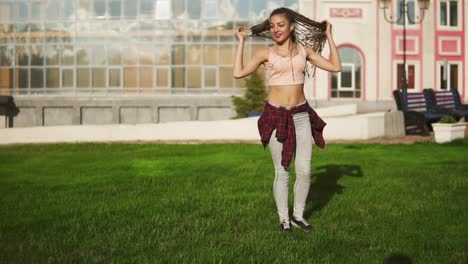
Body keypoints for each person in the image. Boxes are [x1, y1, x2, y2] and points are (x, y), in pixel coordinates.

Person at [233, 7, 342, 232]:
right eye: (272, 26)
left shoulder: (305, 51)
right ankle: (283, 219)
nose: (276, 30)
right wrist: (241, 42)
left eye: (280, 25)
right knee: (282, 171)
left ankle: (298, 216)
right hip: (276, 115)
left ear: (291, 26)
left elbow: (335, 66)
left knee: (304, 170)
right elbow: (238, 72)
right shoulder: (265, 53)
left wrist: (329, 35)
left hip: (301, 115)